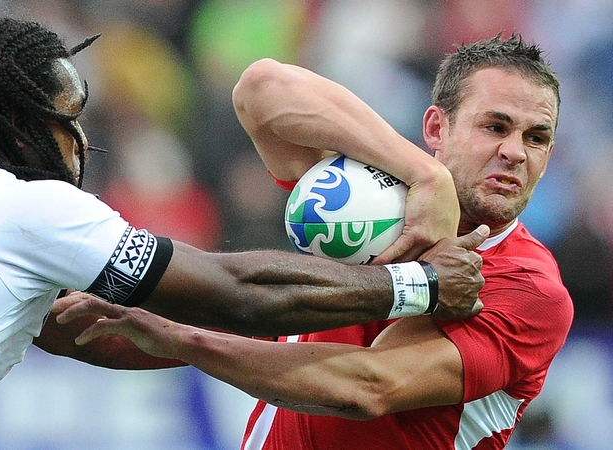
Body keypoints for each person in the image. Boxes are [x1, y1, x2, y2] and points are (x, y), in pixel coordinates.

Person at [0, 17, 487, 450]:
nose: (81, 141)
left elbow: (86, 335)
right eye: (68, 119)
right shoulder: (17, 205)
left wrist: (269, 338)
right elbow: (235, 289)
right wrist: (414, 284)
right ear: (16, 121)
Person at [52, 34, 574, 449]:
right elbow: (259, 89)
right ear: (436, 127)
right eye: (495, 126)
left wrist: (177, 337)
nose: (515, 152)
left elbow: (366, 386)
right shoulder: (377, 193)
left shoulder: (528, 287)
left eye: (537, 137)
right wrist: (426, 178)